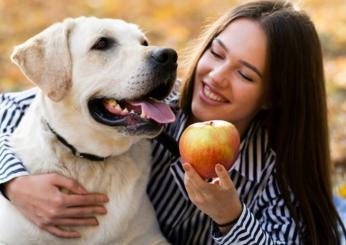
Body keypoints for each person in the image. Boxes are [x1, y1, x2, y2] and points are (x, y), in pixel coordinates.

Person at [0, 0, 345, 244]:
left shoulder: (278, 177)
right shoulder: (160, 108)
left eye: (244, 73)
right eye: (217, 53)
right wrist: (12, 180)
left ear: (273, 96)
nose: (216, 77)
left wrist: (231, 217)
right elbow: (16, 107)